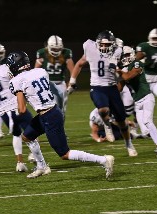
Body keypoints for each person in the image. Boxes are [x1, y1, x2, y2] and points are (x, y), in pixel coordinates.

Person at [7, 51, 114, 179]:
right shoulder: (40, 71)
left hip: (49, 116)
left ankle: (103, 160)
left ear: (14, 66)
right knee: (27, 137)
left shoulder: (17, 81)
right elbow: (48, 90)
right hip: (52, 111)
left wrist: (15, 93)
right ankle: (42, 167)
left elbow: (22, 109)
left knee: (64, 154)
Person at [67, 30, 138, 157]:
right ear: (97, 43)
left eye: (107, 45)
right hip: (97, 87)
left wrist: (121, 70)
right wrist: (72, 81)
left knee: (122, 122)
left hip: (112, 88)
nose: (104, 47)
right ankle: (107, 125)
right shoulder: (90, 47)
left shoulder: (118, 51)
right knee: (103, 110)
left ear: (113, 44)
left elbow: (123, 71)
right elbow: (79, 64)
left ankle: (129, 144)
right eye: (102, 44)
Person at [117, 46, 157, 157]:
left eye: (126, 55)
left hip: (147, 98)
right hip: (137, 103)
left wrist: (119, 72)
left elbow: (129, 76)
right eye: (123, 56)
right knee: (146, 131)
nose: (125, 58)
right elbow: (119, 89)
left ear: (132, 54)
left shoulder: (136, 64)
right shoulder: (124, 70)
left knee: (148, 122)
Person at [34, 35, 75, 123]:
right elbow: (36, 71)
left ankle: (60, 131)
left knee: (61, 110)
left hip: (60, 84)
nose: (56, 51)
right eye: (54, 49)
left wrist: (72, 83)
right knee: (46, 109)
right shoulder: (42, 53)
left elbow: (72, 70)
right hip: (46, 84)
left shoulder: (66, 53)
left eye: (58, 49)